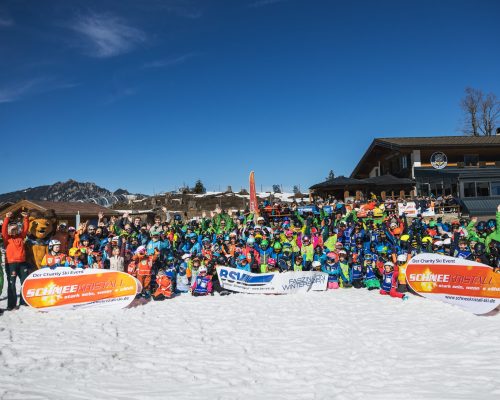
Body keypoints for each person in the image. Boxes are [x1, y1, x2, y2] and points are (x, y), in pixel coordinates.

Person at [2, 211, 30, 310]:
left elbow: (25, 229)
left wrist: (26, 218)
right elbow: (4, 230)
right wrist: (7, 218)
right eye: (12, 228)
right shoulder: (6, 238)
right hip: (11, 264)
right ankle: (11, 305)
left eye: (15, 228)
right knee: (11, 284)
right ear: (9, 230)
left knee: (25, 283)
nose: (14, 230)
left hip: (22, 264)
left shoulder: (21, 237)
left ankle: (23, 302)